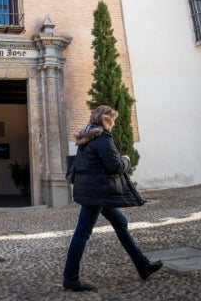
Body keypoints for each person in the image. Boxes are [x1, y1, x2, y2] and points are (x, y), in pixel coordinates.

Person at [63, 105, 163, 292]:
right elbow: (114, 166)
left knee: (120, 221)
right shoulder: (102, 139)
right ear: (105, 119)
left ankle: (143, 265)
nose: (115, 123)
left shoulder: (86, 138)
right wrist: (126, 159)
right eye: (113, 119)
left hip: (92, 191)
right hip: (97, 193)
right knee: (82, 233)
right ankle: (70, 277)